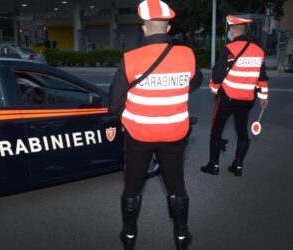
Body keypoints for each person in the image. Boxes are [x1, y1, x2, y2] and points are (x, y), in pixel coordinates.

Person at [108, 1, 203, 249]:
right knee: (176, 185)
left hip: (138, 136)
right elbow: (195, 82)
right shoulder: (188, 55)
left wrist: (125, 118)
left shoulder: (130, 59)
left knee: (132, 185)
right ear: (168, 27)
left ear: (144, 28)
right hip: (174, 135)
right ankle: (181, 237)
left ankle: (129, 236)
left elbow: (114, 104)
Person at [200, 15, 269, 177]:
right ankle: (238, 165)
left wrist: (214, 89)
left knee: (216, 130)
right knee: (242, 130)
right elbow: (262, 78)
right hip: (247, 100)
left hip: (227, 97)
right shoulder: (258, 51)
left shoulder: (229, 49)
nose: (230, 32)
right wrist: (264, 98)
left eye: (230, 29)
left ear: (234, 30)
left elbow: (217, 75)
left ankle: (214, 165)